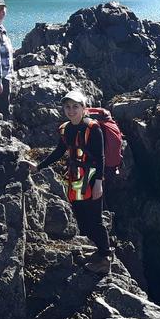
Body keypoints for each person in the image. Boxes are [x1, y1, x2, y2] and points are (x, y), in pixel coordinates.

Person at [29, 89, 110, 273]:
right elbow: (59, 152)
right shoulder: (66, 128)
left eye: (75, 106)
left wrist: (99, 183)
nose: (71, 110)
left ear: (84, 108)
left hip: (91, 178)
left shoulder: (93, 128)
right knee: (82, 217)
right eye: (67, 107)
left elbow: (100, 158)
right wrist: (38, 166)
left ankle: (105, 258)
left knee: (95, 219)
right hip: (75, 178)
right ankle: (98, 250)